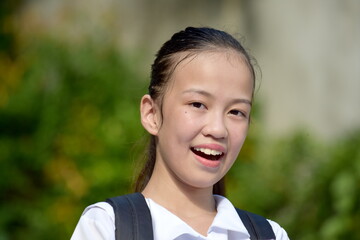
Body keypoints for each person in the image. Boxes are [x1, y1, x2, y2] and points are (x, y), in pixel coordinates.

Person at [71, 27, 289, 240]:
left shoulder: (270, 235)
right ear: (151, 114)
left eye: (236, 112)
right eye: (198, 104)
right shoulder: (108, 227)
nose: (217, 129)